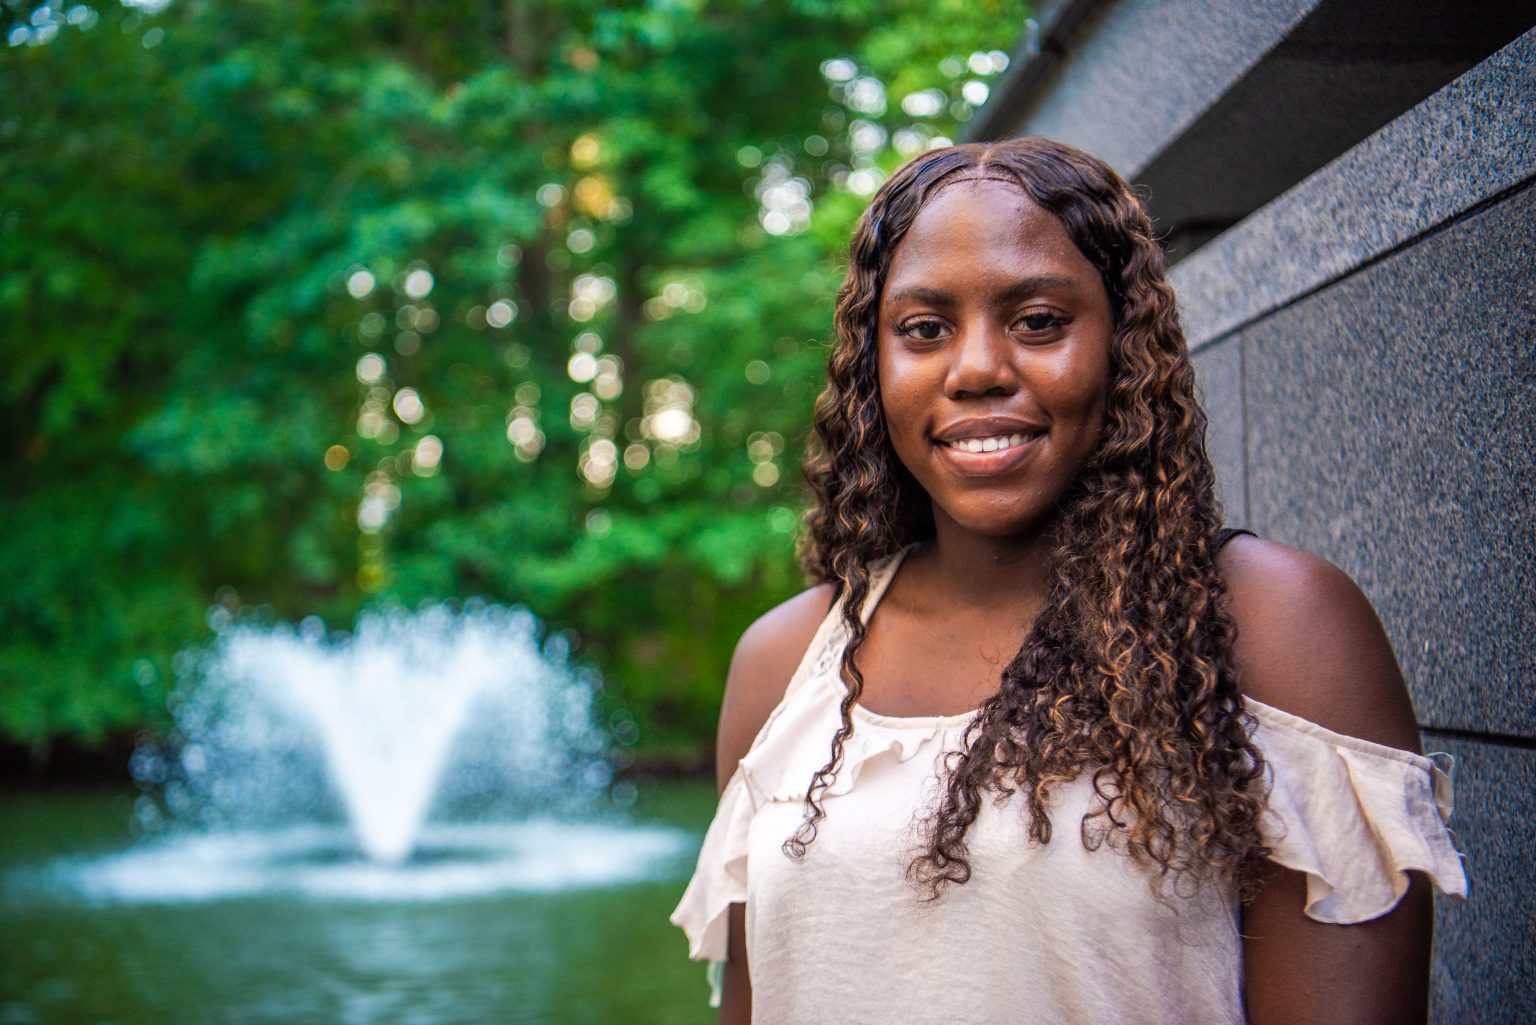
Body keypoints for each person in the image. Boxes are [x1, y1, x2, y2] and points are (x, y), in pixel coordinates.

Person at [670, 137, 1466, 1025]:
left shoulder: (1278, 625)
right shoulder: (786, 662)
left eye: (1039, 320)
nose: (975, 369)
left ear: (1124, 344)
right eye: (924, 329)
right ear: (873, 367)